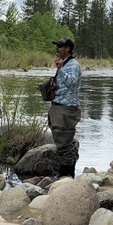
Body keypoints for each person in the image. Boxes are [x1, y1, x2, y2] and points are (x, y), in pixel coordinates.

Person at [48, 36, 82, 179]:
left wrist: (60, 69)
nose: (57, 49)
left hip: (66, 109)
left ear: (67, 49)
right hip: (60, 107)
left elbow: (72, 82)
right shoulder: (65, 63)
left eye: (60, 46)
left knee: (64, 145)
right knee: (63, 142)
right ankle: (66, 177)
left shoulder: (73, 65)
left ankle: (66, 177)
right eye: (57, 46)